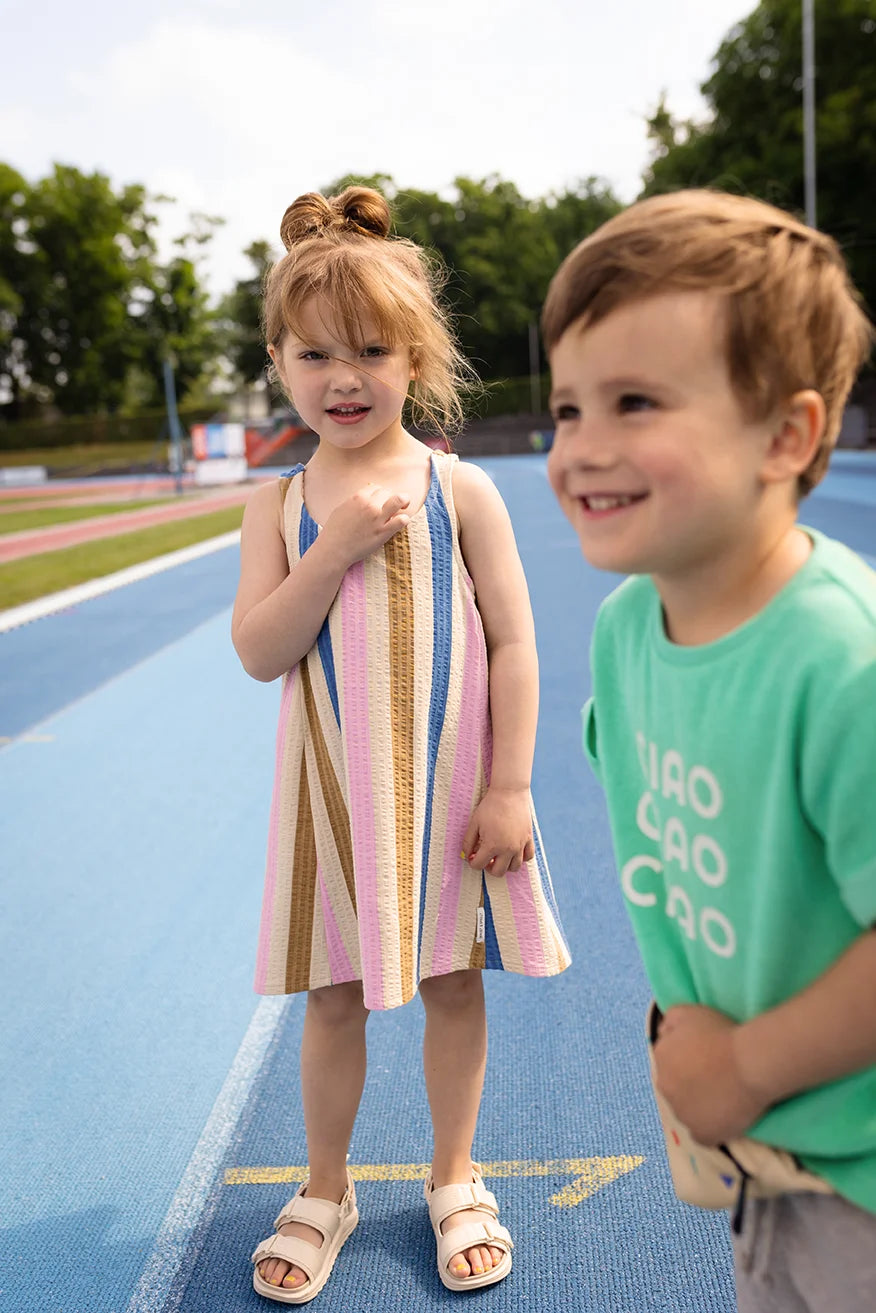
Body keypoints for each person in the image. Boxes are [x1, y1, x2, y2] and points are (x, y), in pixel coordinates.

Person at [232, 186, 570, 1304]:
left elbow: (515, 641)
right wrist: (327, 555)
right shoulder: (277, 509)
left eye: (373, 350)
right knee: (332, 998)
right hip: (334, 800)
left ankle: (455, 1174)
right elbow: (261, 650)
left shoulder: (456, 488)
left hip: (450, 790)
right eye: (316, 352)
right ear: (278, 358)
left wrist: (512, 785)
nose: (344, 375)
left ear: (417, 358)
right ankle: (325, 1185)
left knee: (453, 986)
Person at [541, 189, 876, 1312]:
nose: (583, 448)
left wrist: (745, 1065)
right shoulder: (631, 627)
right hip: (766, 1151)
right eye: (568, 408)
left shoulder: (844, 666)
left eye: (634, 401)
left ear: (787, 434)